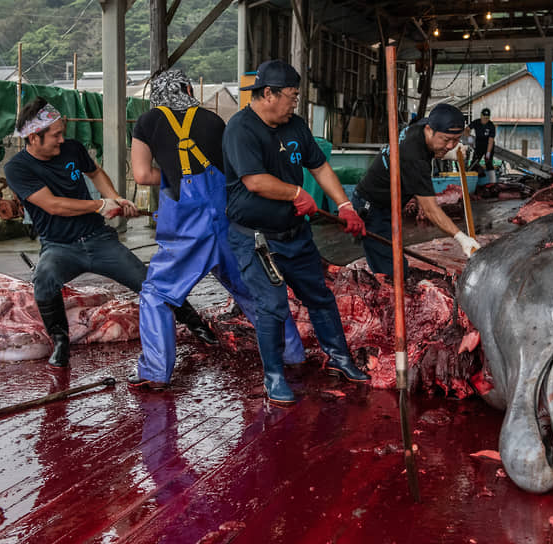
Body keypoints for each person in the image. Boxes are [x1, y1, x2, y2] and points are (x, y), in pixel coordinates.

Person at [4, 97, 214, 370]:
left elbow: (96, 172)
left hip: (98, 239)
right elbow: (53, 206)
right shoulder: (17, 168)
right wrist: (101, 205)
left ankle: (195, 323)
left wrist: (116, 198)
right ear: (34, 137)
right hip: (59, 246)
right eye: (55, 135)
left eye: (62, 133)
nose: (61, 140)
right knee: (43, 280)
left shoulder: (72, 149)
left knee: (147, 279)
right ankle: (59, 339)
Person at [128, 69, 305, 390]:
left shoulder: (148, 121)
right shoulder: (214, 121)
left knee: (157, 295)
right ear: (188, 88)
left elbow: (141, 175)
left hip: (186, 227)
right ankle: (292, 354)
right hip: (228, 220)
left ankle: (155, 373)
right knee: (254, 291)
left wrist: (171, 174)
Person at [223, 59, 369, 407]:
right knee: (272, 307)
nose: (295, 102)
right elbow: (254, 181)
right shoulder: (240, 128)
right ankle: (274, 375)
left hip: (295, 233)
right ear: (269, 93)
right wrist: (294, 193)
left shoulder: (296, 125)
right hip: (256, 239)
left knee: (319, 296)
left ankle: (340, 357)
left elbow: (318, 166)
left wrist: (344, 205)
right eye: (292, 95)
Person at [352, 103, 480, 278]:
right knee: (392, 274)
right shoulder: (413, 157)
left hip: (390, 203)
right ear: (429, 129)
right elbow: (431, 210)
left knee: (396, 261)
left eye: (456, 140)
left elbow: (431, 148)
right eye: (445, 140)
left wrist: (444, 150)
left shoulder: (422, 127)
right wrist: (461, 238)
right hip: (373, 208)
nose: (451, 145)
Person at [465, 107, 497, 182]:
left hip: (488, 145)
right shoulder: (476, 122)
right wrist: (469, 137)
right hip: (479, 145)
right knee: (474, 162)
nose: (485, 119)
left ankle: (493, 182)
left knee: (488, 162)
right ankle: (472, 181)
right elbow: (466, 129)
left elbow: (491, 140)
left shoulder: (491, 125)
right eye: (484, 117)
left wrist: (488, 152)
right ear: (481, 116)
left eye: (487, 118)